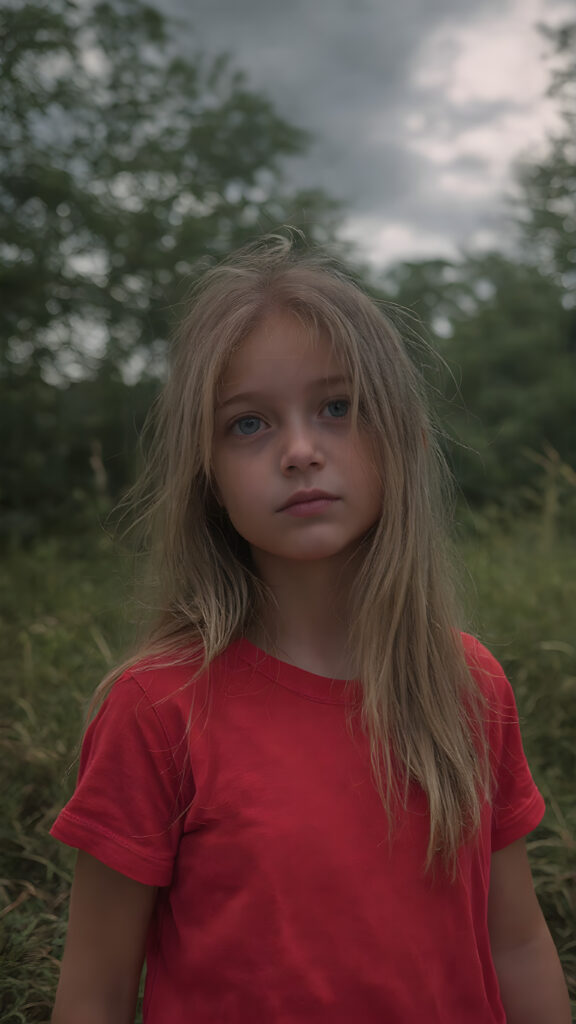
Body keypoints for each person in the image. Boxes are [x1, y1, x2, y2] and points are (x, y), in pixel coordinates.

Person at [50, 235, 571, 1024]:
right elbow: (94, 995)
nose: (299, 451)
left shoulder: (470, 686)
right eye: (249, 425)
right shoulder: (157, 709)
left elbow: (518, 947)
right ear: (208, 479)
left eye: (337, 408)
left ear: (403, 439)